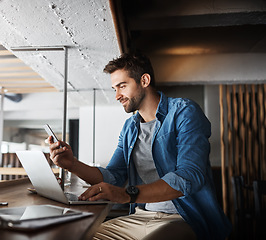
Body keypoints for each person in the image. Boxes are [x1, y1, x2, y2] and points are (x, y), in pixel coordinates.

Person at [48, 53, 232, 240]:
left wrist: (128, 194)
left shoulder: (184, 112)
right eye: (114, 89)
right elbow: (114, 176)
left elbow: (190, 175)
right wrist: (72, 164)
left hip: (182, 218)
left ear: (144, 80)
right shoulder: (130, 128)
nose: (117, 95)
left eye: (122, 86)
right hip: (139, 216)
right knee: (78, 236)